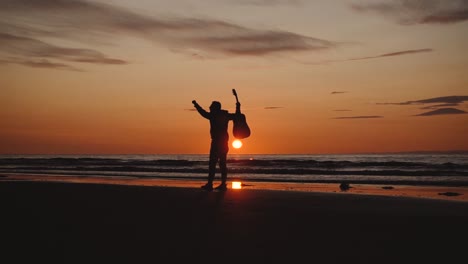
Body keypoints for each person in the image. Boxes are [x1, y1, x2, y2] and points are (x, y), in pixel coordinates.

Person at [192, 99, 241, 191]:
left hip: (217, 142)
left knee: (213, 163)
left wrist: (196, 105)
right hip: (224, 142)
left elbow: (203, 113)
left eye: (211, 106)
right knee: (222, 163)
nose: (209, 107)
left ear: (215, 108)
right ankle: (222, 184)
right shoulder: (225, 115)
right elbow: (237, 116)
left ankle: (212, 184)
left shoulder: (213, 115)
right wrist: (238, 107)